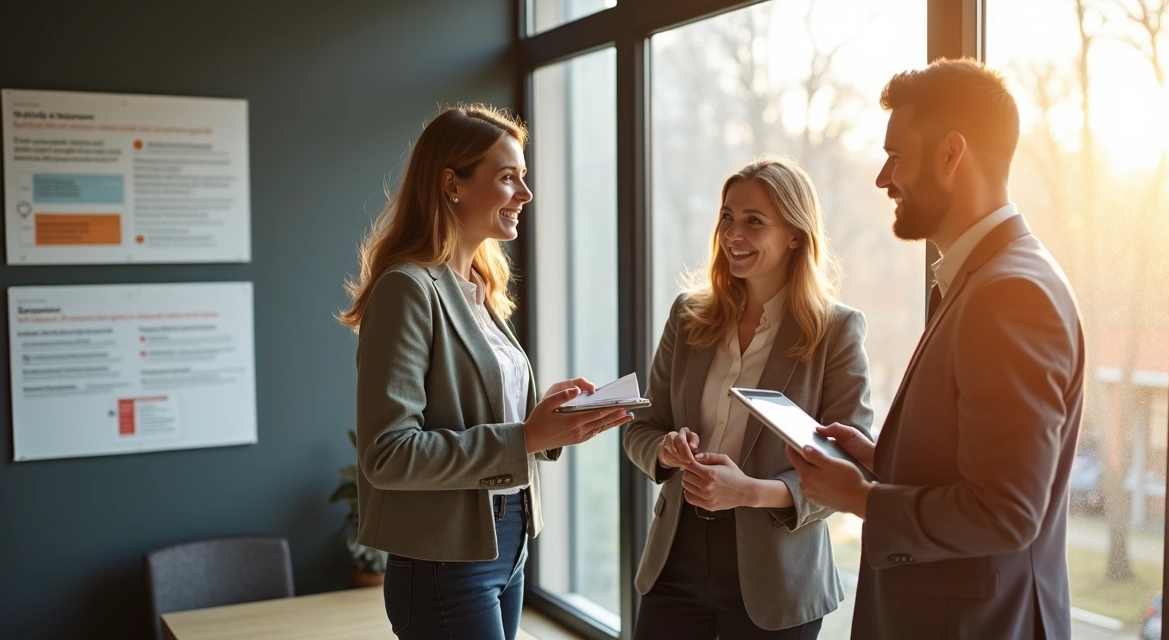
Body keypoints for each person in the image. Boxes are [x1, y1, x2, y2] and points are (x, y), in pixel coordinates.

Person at [785, 58, 1085, 639]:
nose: (882, 178)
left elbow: (1005, 512)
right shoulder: (986, 278)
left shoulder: (1011, 294)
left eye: (896, 155)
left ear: (952, 154)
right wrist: (881, 459)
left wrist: (860, 497)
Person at [338, 104, 631, 640]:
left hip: (507, 542)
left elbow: (484, 416)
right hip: (444, 559)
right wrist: (524, 437)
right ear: (452, 184)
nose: (526, 193)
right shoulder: (407, 290)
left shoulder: (476, 288)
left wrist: (546, 422)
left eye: (524, 177)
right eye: (507, 177)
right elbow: (387, 453)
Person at [623, 157, 873, 639]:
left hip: (776, 573)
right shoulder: (687, 315)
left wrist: (752, 492)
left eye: (754, 221)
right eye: (727, 217)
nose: (732, 234)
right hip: (676, 559)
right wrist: (665, 449)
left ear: (796, 235)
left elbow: (852, 461)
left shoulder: (835, 330)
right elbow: (642, 426)